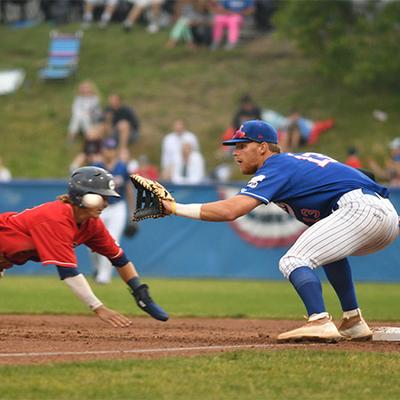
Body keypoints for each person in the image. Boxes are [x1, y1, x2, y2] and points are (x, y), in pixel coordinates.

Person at [161, 120, 399, 343]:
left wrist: (174, 207)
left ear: (263, 148)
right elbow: (364, 176)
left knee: (293, 260)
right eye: (235, 147)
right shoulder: (297, 162)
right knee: (329, 253)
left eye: (243, 146)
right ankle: (353, 321)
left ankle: (319, 320)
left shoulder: (277, 166)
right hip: (384, 216)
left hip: (361, 210)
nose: (235, 152)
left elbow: (231, 210)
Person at [0, 166, 168, 325]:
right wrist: (98, 307)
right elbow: (68, 272)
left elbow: (119, 259)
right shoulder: (56, 218)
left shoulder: (92, 224)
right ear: (82, 197)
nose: (106, 203)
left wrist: (141, 292)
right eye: (101, 197)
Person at [91, 138, 136, 284]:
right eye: (107, 148)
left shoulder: (122, 167)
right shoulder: (96, 167)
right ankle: (98, 268)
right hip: (99, 208)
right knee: (91, 242)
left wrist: (132, 211)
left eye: (111, 149)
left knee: (112, 240)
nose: (109, 151)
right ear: (103, 150)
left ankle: (104, 276)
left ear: (115, 151)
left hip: (117, 207)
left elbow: (129, 189)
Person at [102, 93, 140, 160]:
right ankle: (101, 149)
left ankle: (122, 150)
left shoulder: (126, 110)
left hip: (131, 134)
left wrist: (122, 125)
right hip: (114, 134)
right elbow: (102, 124)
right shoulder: (108, 110)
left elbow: (136, 125)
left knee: (123, 125)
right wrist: (108, 121)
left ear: (119, 101)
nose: (112, 102)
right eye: (111, 100)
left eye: (114, 100)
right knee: (102, 126)